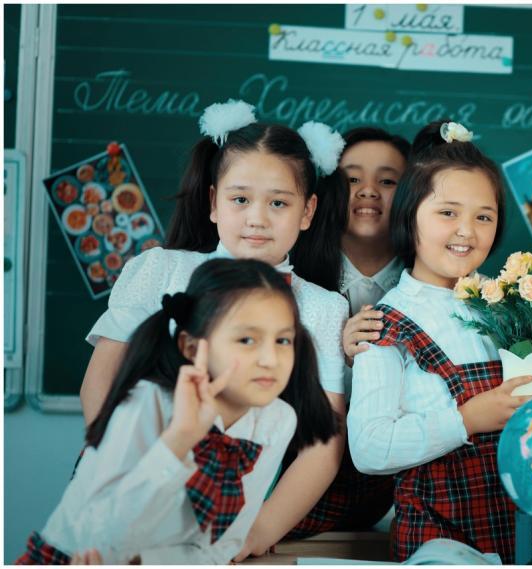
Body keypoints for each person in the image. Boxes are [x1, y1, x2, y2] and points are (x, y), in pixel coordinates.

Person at [78, 100, 350, 553]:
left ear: (307, 211)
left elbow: (325, 442)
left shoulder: (322, 308)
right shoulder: (159, 270)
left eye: (279, 203)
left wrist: (257, 532)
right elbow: (100, 386)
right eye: (240, 199)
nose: (257, 218)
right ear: (213, 202)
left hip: (234, 508)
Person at [17, 258, 338, 564]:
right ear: (193, 347)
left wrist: (149, 562)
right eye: (246, 339)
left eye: (283, 341)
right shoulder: (148, 402)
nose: (270, 359)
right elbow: (100, 537)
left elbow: (224, 543)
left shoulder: (276, 420)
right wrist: (179, 439)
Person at [347, 120, 532, 563]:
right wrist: (466, 419)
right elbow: (369, 448)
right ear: (409, 216)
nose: (467, 231)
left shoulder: (509, 308)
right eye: (447, 213)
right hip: (437, 539)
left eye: (483, 217)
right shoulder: (386, 322)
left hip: (517, 534)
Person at [269, 127, 410, 544]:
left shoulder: (432, 286)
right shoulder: (294, 279)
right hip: (294, 467)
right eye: (352, 179)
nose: (368, 191)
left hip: (389, 483)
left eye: (387, 181)